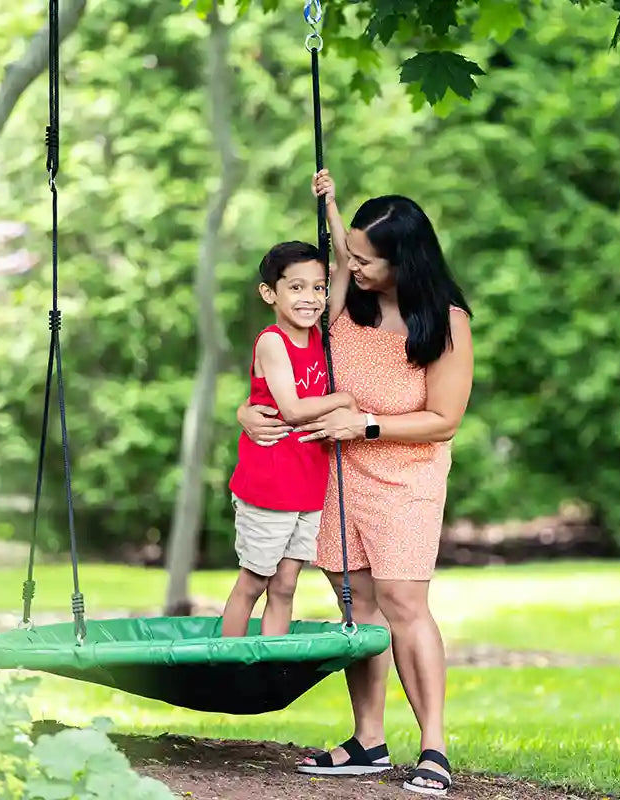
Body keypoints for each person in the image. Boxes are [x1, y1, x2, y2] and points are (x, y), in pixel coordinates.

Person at [236, 170, 474, 797]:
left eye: (368, 259)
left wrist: (364, 424)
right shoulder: (347, 305)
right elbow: (285, 365)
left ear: (405, 260)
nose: (355, 265)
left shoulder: (443, 321)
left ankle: (434, 746)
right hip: (333, 473)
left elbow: (444, 420)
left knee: (403, 604)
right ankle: (369, 739)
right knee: (355, 608)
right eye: (354, 254)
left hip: (405, 476)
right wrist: (247, 411)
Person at [221, 240, 359, 639]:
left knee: (285, 585)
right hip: (270, 484)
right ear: (270, 293)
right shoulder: (272, 342)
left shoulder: (318, 333)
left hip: (306, 484)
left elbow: (345, 265)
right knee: (254, 582)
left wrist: (329, 203)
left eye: (318, 288)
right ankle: (230, 666)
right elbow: (293, 409)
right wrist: (344, 399)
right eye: (296, 287)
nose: (310, 298)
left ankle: (269, 665)